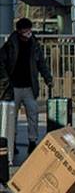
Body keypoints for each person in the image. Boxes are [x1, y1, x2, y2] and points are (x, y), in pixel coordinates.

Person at [0, 18, 53, 153]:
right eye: (25, 31)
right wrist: (6, 81)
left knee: (33, 113)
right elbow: (2, 64)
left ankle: (32, 140)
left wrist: (48, 78)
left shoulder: (34, 45)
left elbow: (41, 63)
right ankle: (12, 142)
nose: (28, 33)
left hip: (29, 86)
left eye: (29, 30)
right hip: (13, 87)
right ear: (19, 31)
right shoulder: (10, 45)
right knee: (12, 117)